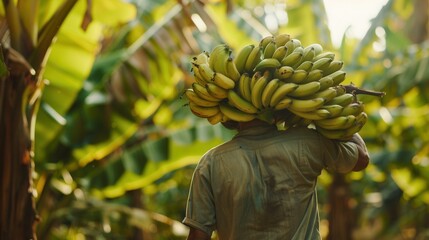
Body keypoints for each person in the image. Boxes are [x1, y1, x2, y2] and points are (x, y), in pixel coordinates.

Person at [182, 117, 370, 240]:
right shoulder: (308, 142)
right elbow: (361, 159)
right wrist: (326, 113)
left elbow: (199, 235)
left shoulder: (211, 163)